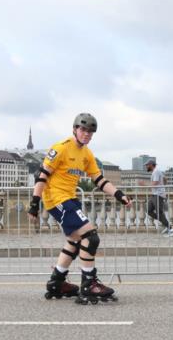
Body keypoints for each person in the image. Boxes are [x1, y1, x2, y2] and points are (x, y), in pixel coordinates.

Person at [28, 113, 132, 303]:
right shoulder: (61, 148)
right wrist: (34, 204)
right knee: (90, 237)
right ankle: (89, 283)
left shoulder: (86, 154)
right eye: (83, 130)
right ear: (75, 129)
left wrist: (119, 194)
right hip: (57, 199)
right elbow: (42, 176)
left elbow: (99, 180)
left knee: (75, 242)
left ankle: (57, 282)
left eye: (90, 132)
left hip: (70, 199)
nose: (86, 134)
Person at [142, 157, 173, 236]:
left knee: (159, 213)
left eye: (147, 165)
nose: (146, 166)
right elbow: (165, 179)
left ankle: (171, 230)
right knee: (149, 210)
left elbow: (155, 183)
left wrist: (144, 184)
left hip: (158, 195)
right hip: (155, 195)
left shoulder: (156, 172)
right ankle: (165, 224)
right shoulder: (156, 171)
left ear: (151, 165)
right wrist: (163, 185)